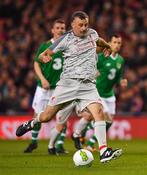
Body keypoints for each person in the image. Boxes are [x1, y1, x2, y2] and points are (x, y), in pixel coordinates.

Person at [16, 11, 122, 163]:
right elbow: (43, 55)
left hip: (88, 85)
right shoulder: (65, 39)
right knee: (46, 116)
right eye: (81, 25)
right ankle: (32, 123)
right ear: (73, 25)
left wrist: (107, 46)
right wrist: (44, 57)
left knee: (99, 112)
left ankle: (104, 151)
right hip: (68, 84)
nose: (84, 28)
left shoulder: (92, 33)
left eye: (86, 24)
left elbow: (100, 41)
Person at [74, 34, 128, 151]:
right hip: (98, 93)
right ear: (109, 42)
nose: (117, 45)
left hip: (110, 94)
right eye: (114, 42)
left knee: (109, 121)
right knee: (105, 118)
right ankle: (89, 142)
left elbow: (119, 76)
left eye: (119, 43)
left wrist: (121, 81)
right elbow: (89, 67)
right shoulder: (102, 57)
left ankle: (86, 134)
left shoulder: (120, 60)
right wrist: (94, 73)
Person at [24, 19, 67, 154]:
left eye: (62, 28)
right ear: (52, 30)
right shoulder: (45, 46)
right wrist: (42, 79)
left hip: (59, 89)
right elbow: (36, 63)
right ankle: (33, 142)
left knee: (62, 117)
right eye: (58, 28)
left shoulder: (67, 47)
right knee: (38, 115)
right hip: (44, 88)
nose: (60, 30)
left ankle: (59, 145)